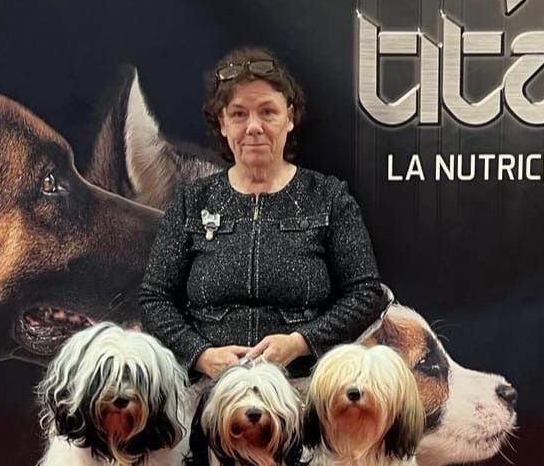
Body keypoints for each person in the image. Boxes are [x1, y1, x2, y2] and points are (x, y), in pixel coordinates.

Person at [139, 48, 389, 381]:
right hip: (209, 389)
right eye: (238, 114)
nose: (253, 127)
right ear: (223, 124)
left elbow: (366, 295)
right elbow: (154, 298)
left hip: (300, 385)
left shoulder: (328, 198)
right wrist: (200, 355)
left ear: (289, 117)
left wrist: (300, 343)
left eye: (267, 112)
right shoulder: (191, 201)